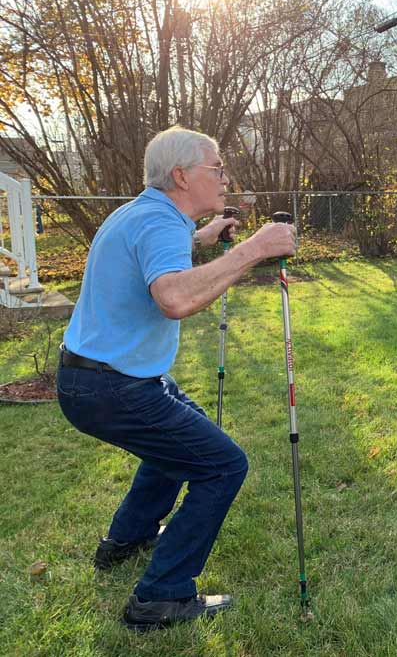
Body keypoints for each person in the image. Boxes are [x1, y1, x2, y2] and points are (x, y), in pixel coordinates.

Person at [57, 126, 297, 631]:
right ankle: (160, 598)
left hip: (93, 379)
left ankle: (127, 538)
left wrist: (205, 237)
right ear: (182, 176)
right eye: (218, 168)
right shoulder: (160, 223)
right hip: (114, 387)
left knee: (182, 439)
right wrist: (252, 249)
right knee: (223, 465)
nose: (225, 178)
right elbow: (174, 298)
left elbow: (158, 251)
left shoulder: (141, 214)